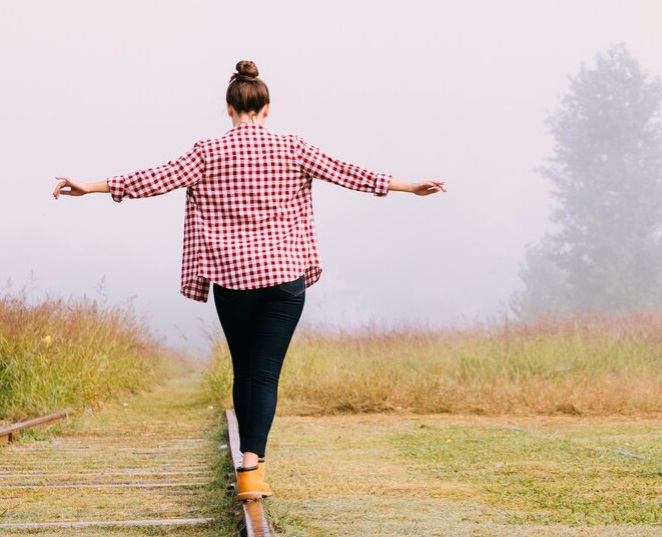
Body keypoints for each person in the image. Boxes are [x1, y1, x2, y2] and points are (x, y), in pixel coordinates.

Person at [53, 60, 446, 501]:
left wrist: (90, 186)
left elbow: (151, 179)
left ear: (228, 109)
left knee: (245, 370)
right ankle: (251, 467)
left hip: (231, 280)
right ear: (267, 109)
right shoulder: (292, 147)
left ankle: (250, 464)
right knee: (264, 374)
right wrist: (409, 186)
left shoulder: (207, 152)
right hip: (283, 278)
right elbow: (349, 173)